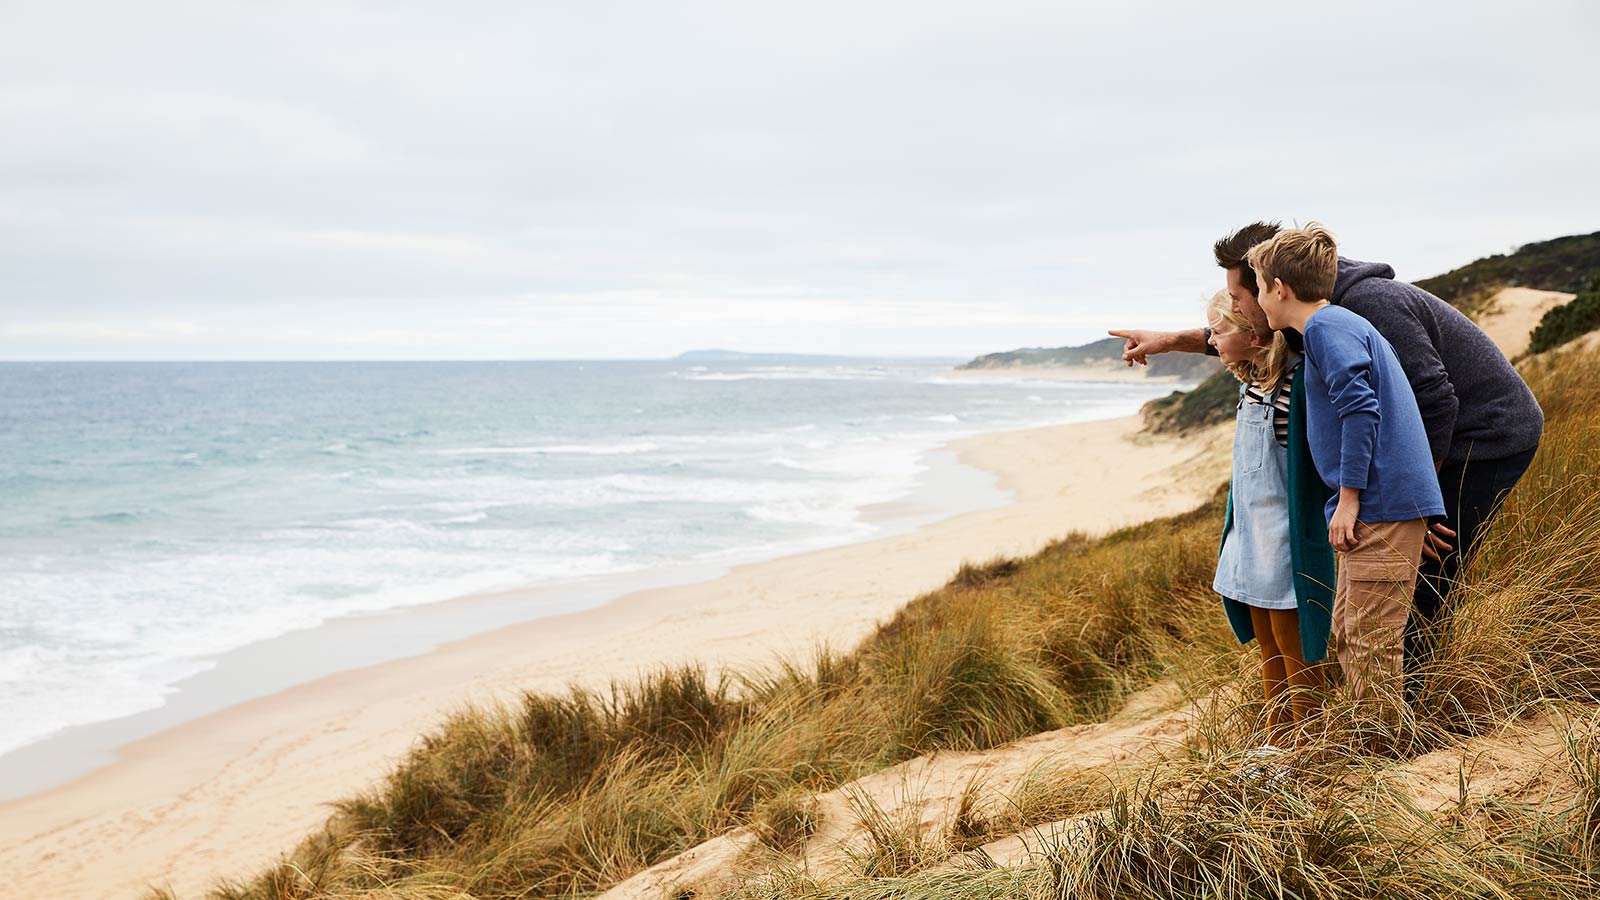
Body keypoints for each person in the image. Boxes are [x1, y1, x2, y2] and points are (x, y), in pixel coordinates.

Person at [1111, 222, 1542, 693]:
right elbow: (1248, 335)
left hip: (1485, 436)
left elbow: (1436, 398)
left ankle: (1418, 718)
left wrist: (1418, 505)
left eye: (1241, 294)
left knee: (1417, 578)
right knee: (1390, 590)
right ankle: (1396, 703)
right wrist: (1170, 340)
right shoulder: (1309, 315)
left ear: (1273, 284)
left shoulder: (1366, 306)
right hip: (1410, 449)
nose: (1235, 306)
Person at [1247, 224, 1444, 717]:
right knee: (1351, 633)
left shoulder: (1327, 329)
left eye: (1257, 286)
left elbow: (1361, 411)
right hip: (1381, 501)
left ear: (1279, 288)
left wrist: (1350, 498)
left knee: (1368, 640)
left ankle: (1378, 758)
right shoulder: (1335, 326)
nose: (1257, 300)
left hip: (1379, 503)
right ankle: (1370, 745)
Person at [1206, 289, 1335, 750]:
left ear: (1254, 336)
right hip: (1250, 538)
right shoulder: (1250, 385)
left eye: (1219, 331)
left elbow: (1313, 470)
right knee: (1267, 649)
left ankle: (1310, 746)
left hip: (1284, 540)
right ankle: (1276, 743)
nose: (1212, 339)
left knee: (1294, 648)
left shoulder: (1294, 386)